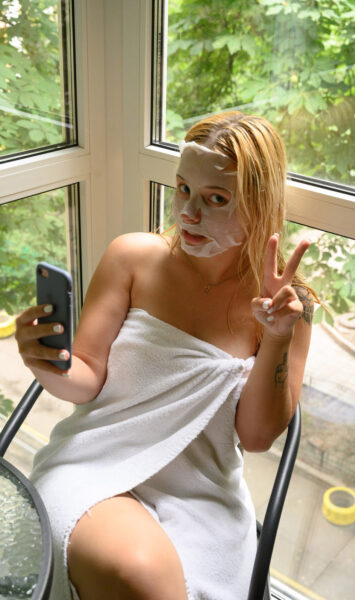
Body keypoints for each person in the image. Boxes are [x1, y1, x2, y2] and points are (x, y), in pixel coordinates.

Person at [16, 111, 315, 600]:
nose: (188, 213)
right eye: (183, 189)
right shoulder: (132, 257)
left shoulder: (287, 305)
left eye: (216, 199)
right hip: (95, 464)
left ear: (261, 205)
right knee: (142, 574)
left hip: (201, 494)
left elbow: (257, 437)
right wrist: (49, 362)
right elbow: (86, 379)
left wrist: (278, 336)